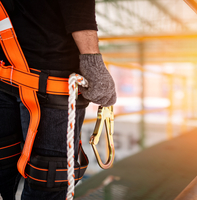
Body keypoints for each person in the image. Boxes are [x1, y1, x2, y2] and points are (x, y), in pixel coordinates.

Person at [0, 0, 116, 199]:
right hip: (53, 79)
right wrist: (92, 60)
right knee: (49, 178)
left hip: (6, 70)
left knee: (5, 158)